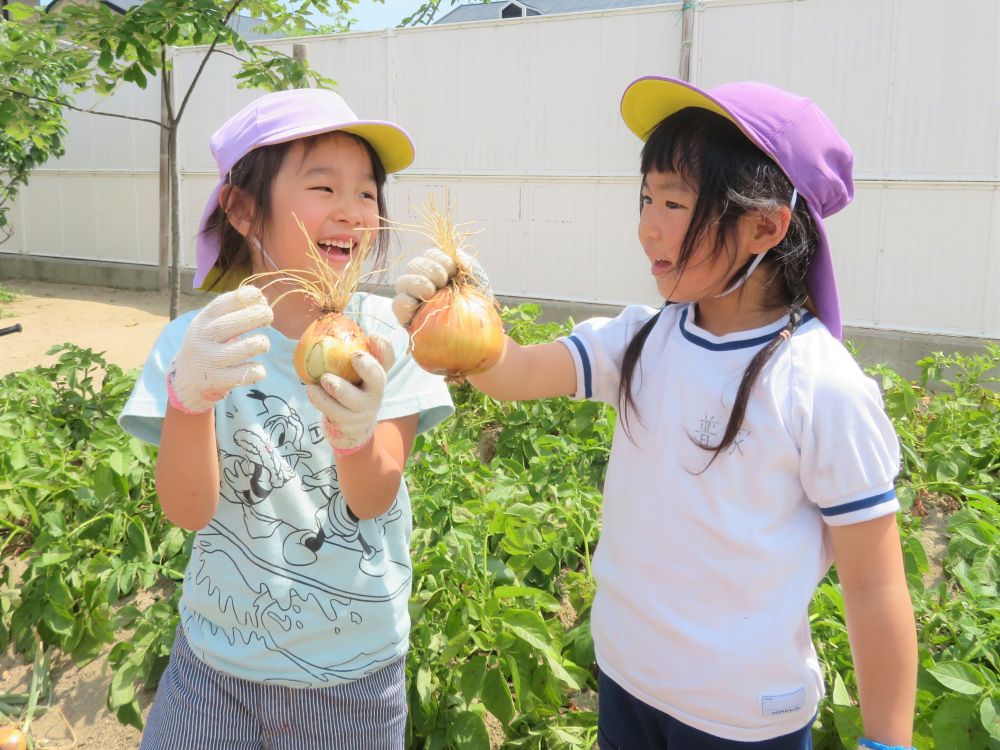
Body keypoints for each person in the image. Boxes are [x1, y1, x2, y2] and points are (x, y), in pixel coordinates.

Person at [393, 77, 917, 750]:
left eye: (675, 201)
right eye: (646, 197)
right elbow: (515, 373)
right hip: (627, 681)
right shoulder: (642, 339)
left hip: (740, 719)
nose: (647, 225)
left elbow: (875, 586)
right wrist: (460, 313)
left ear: (767, 225)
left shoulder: (821, 387)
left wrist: (887, 742)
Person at [119, 88, 453, 749]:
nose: (353, 211)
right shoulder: (201, 342)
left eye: (366, 193)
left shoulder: (389, 334)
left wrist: (354, 435)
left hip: (353, 674)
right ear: (243, 208)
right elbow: (187, 509)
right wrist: (189, 399)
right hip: (216, 664)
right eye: (324, 186)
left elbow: (374, 494)